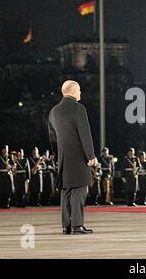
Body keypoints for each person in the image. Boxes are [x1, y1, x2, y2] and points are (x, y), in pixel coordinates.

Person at [48, 80, 97, 235]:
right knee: (80, 189)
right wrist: (90, 156)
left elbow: (52, 138)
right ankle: (77, 225)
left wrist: (57, 156)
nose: (80, 93)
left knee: (66, 190)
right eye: (79, 90)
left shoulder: (53, 111)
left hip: (63, 157)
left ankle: (66, 226)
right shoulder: (78, 108)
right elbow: (85, 134)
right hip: (78, 156)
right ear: (73, 91)